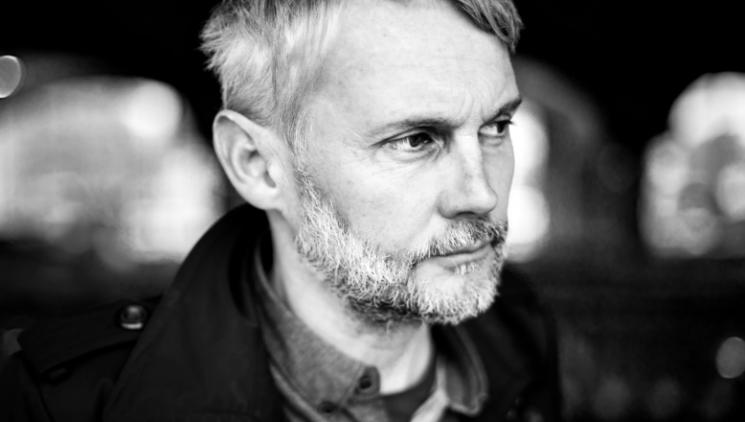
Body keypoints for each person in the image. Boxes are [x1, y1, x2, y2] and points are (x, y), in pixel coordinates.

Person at [0, 0, 561, 420]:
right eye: (415, 140)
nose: (481, 195)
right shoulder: (67, 403)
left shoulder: (519, 337)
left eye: (496, 127)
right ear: (257, 165)